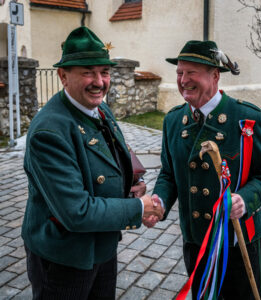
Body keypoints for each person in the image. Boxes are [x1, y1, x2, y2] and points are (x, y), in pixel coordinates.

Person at [22, 26, 164, 299]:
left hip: (102, 245)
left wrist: (133, 185)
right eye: (87, 71)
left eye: (105, 72)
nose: (99, 81)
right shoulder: (49, 132)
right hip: (65, 257)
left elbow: (112, 157)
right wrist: (136, 208)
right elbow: (76, 212)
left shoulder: (99, 108)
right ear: (63, 76)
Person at [151, 40, 261, 300]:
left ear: (214, 76)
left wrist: (244, 199)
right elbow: (168, 174)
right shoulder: (173, 121)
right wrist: (159, 200)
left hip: (238, 242)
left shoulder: (245, 118)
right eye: (179, 72)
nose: (183, 80)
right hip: (196, 242)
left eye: (192, 73)